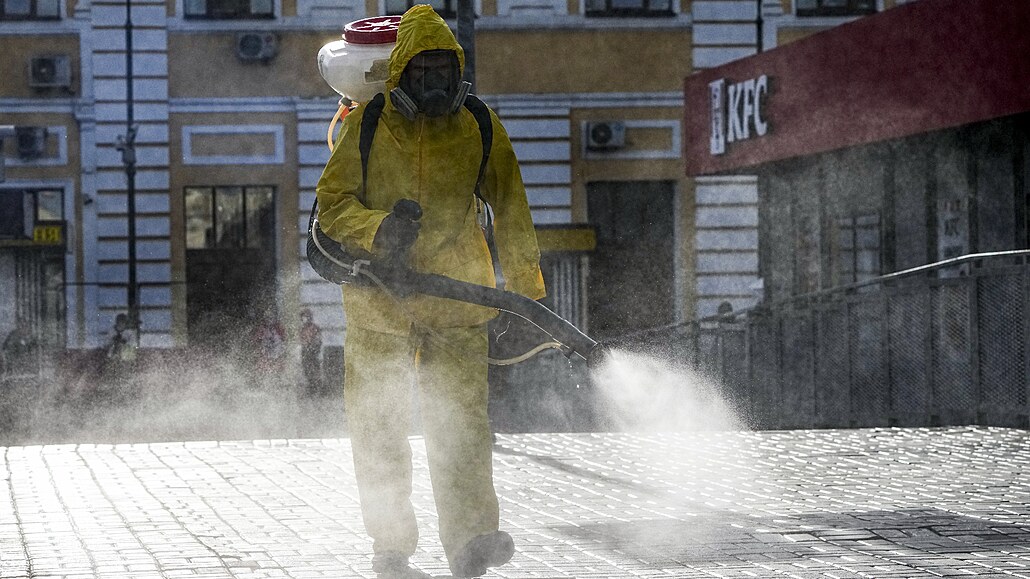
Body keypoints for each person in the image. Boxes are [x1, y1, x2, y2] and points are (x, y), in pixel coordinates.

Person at [315, 5, 545, 578]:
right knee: (379, 426)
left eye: (447, 72)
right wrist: (380, 232)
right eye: (426, 73)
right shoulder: (368, 125)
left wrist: (526, 291)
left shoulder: (478, 126)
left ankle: (470, 541)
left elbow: (511, 207)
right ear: (402, 75)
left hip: (458, 298)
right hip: (378, 302)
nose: (438, 85)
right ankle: (390, 546)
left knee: (463, 426)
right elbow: (332, 205)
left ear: (458, 71)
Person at [299, 308, 323, 396]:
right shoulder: (302, 328)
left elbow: (318, 340)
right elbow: (301, 340)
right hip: (305, 352)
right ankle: (310, 387)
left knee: (315, 370)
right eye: (303, 317)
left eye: (307, 316)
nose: (305, 319)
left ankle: (317, 389)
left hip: (314, 352)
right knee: (306, 370)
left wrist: (313, 347)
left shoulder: (315, 327)